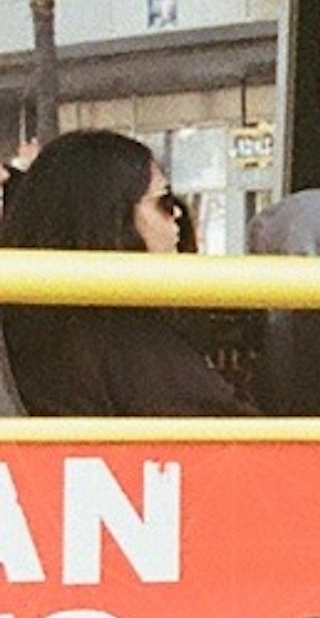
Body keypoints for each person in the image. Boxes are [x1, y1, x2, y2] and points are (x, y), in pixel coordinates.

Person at [0, 129, 255, 416]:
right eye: (164, 201)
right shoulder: (131, 347)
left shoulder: (30, 335)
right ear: (112, 220)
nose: (178, 216)